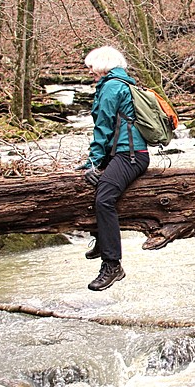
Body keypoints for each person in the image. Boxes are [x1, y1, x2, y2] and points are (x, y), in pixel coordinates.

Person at [77, 46, 150, 290]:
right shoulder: (118, 83)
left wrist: (95, 163)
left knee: (104, 199)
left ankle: (112, 265)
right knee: (93, 188)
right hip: (122, 153)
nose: (89, 71)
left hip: (130, 155)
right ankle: (101, 238)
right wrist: (92, 163)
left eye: (91, 66)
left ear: (103, 65)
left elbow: (103, 129)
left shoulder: (111, 87)